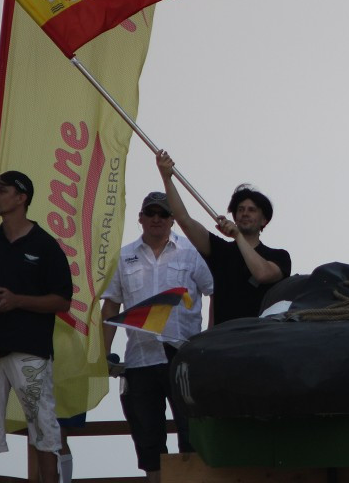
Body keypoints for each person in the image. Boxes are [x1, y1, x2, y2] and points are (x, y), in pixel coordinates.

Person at [101, 192, 213, 483]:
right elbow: (111, 305)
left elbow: (216, 290)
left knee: (192, 437)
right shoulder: (124, 256)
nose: (156, 219)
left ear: (172, 220)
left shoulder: (192, 253)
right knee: (148, 441)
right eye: (150, 213)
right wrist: (103, 354)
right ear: (140, 218)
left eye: (162, 214)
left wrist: (211, 341)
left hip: (184, 360)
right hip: (139, 361)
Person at [0, 171, 72, 483]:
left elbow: (63, 301)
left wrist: (18, 300)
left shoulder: (46, 246)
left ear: (21, 198)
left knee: (44, 430)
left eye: (2, 190)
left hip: (30, 351)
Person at [157, 151, 291, 324]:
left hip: (260, 340)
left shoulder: (279, 256)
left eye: (252, 210)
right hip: (223, 341)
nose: (245, 214)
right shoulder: (220, 250)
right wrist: (167, 178)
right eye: (240, 209)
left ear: (264, 220)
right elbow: (184, 219)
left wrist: (238, 237)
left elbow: (262, 274)